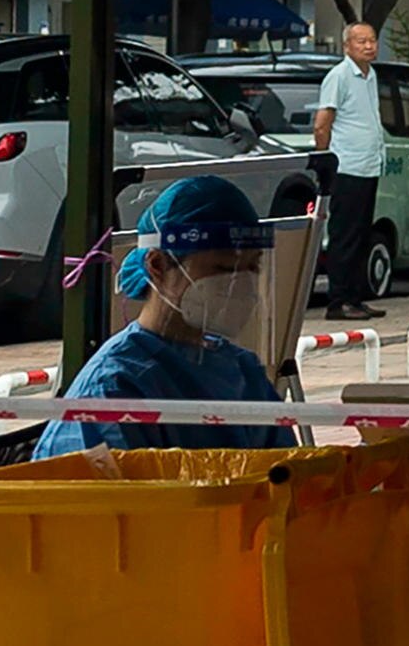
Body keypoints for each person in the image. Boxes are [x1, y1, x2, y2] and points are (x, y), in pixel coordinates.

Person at [35, 176, 291, 455]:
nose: (240, 286)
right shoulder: (114, 387)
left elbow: (288, 475)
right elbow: (111, 494)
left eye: (252, 268)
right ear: (157, 264)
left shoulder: (242, 371)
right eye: (223, 268)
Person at [308, 22, 387, 320]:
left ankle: (355, 297)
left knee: (362, 234)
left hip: (368, 165)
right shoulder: (339, 76)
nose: (368, 46)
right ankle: (338, 301)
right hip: (347, 166)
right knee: (344, 236)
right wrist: (324, 159)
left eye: (372, 40)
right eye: (361, 41)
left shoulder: (371, 75)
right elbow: (322, 122)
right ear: (346, 46)